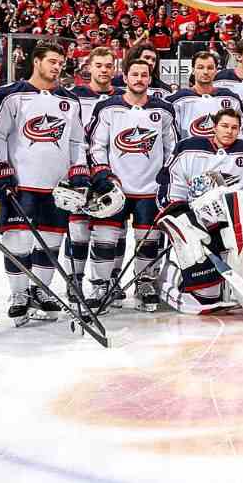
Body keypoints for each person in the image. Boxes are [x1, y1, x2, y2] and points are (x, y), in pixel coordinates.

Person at [0, 40, 87, 323]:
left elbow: (76, 139)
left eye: (60, 62)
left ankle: (41, 290)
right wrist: (1, 167)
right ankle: (19, 293)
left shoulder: (69, 100)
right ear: (37, 61)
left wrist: (78, 169)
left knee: (50, 241)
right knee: (17, 239)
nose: (57, 67)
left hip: (57, 185)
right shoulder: (12, 95)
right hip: (21, 182)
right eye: (52, 61)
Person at [156, 108, 243, 314]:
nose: (229, 131)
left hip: (233, 219)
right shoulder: (188, 148)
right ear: (214, 127)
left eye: (234, 128)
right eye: (224, 126)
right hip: (198, 221)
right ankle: (172, 278)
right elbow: (171, 184)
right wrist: (181, 215)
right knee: (206, 296)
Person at [86, 57, 178, 312]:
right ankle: (102, 285)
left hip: (149, 189)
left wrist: (165, 175)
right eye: (134, 74)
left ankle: (144, 284)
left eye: (144, 75)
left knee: (147, 240)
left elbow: (173, 148)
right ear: (124, 77)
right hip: (114, 188)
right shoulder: (108, 108)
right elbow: (96, 145)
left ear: (150, 79)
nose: (139, 79)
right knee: (105, 238)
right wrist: (103, 174)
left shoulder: (163, 110)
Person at [63, 47, 117, 307]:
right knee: (78, 232)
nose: (104, 70)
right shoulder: (73, 97)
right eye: (99, 65)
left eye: (109, 65)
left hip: (106, 175)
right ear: (89, 68)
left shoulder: (121, 100)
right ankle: (74, 282)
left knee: (111, 234)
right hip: (78, 173)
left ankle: (106, 282)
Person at [168, 50, 243, 141]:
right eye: (200, 67)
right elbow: (171, 137)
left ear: (216, 71)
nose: (205, 72)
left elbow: (240, 133)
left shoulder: (231, 98)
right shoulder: (178, 100)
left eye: (210, 68)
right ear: (193, 71)